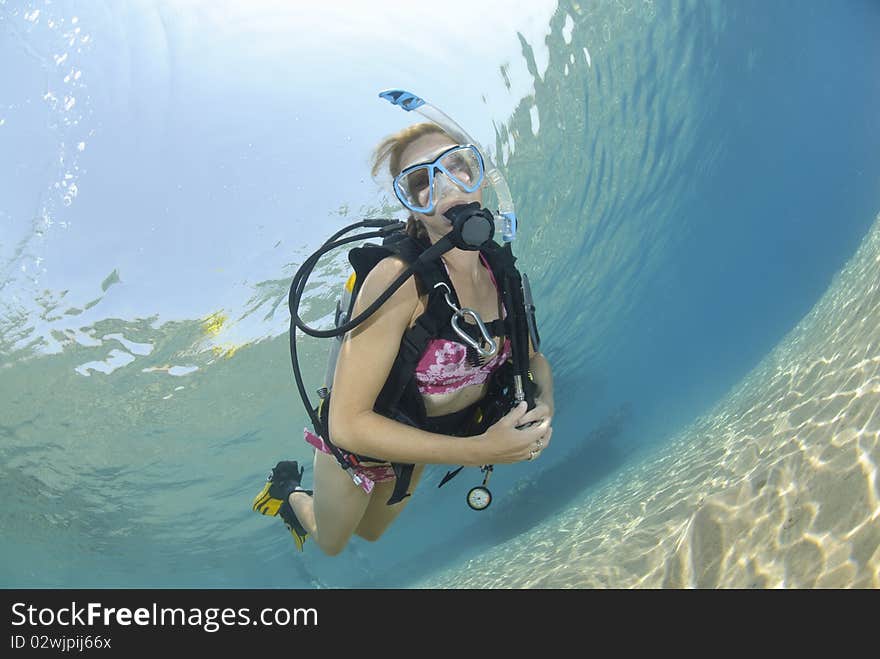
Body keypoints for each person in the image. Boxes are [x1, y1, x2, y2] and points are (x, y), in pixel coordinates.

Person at [253, 122, 554, 555]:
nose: (448, 187)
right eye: (421, 183)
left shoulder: (501, 270)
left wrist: (546, 405)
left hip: (419, 443)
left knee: (371, 533)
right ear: (411, 207)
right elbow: (348, 424)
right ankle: (289, 493)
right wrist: (481, 449)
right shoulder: (397, 280)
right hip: (357, 448)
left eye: (458, 167)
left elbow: (533, 359)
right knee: (333, 542)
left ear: (481, 176)